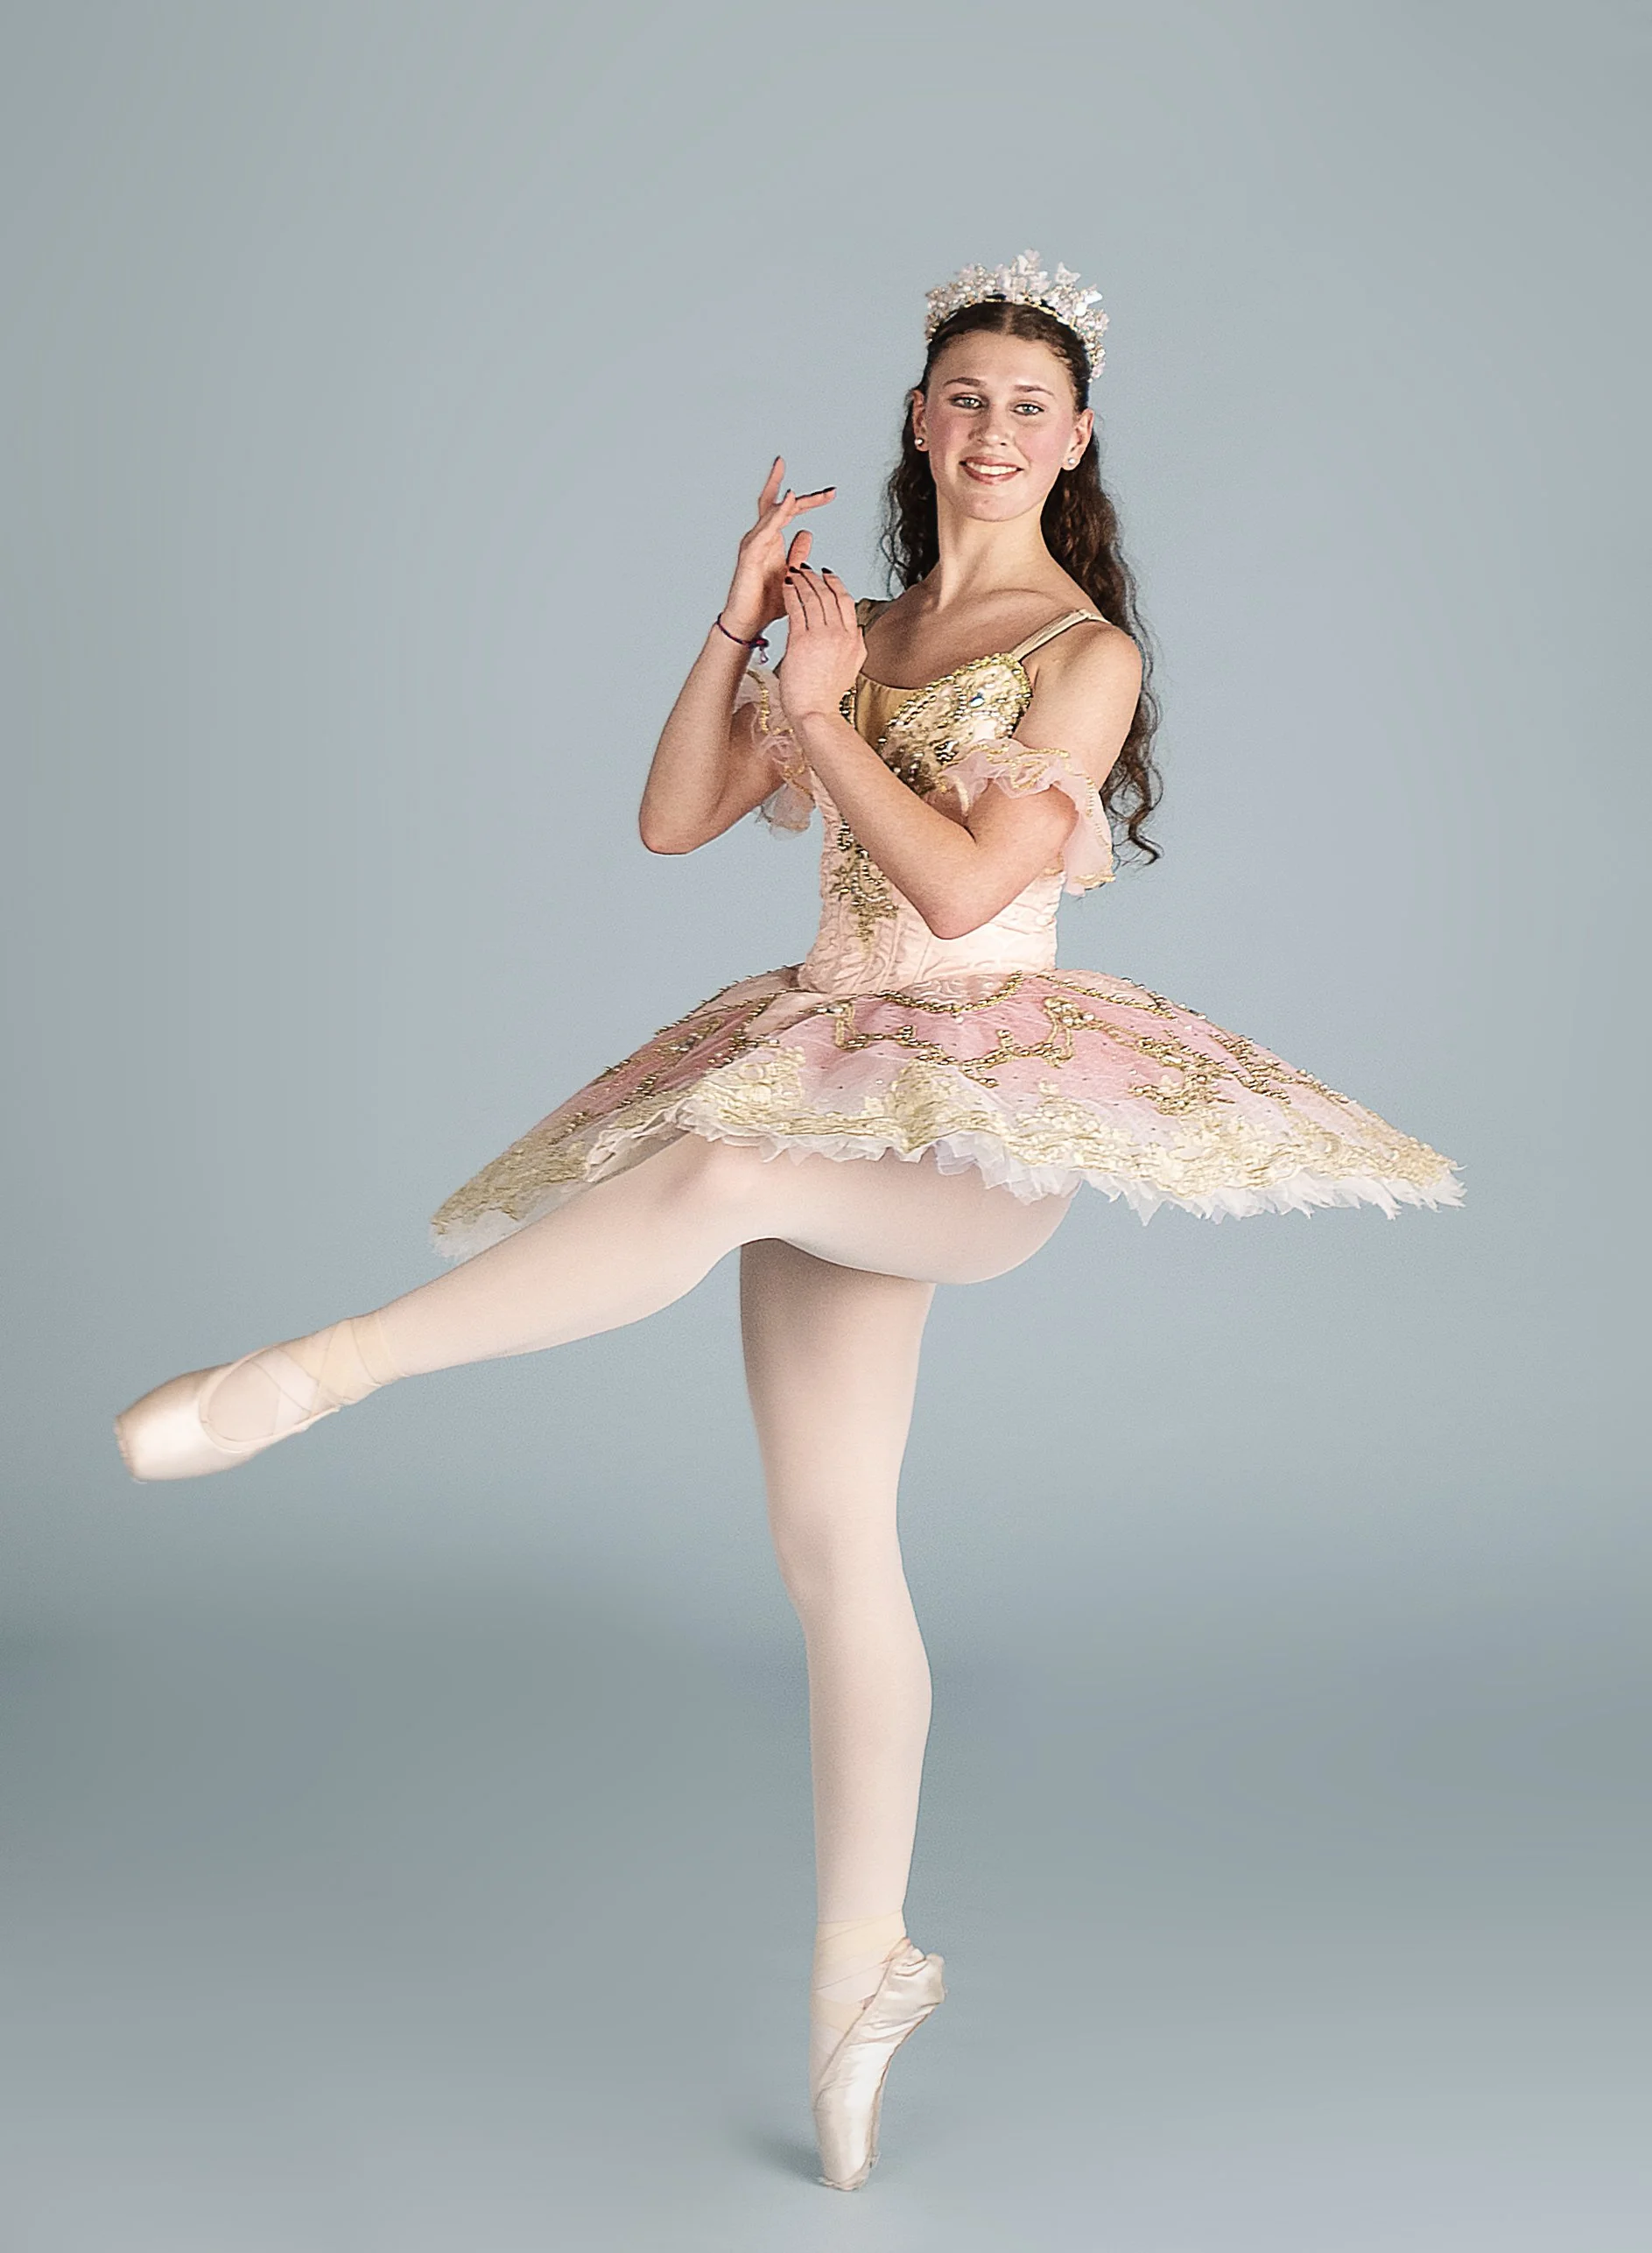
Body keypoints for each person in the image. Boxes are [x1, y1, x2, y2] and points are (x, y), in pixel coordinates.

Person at [114, 252, 1463, 2192]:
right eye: (960, 397)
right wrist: (741, 625)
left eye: (1026, 404)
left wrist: (828, 722)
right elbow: (675, 819)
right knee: (829, 1545)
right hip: (828, 1066)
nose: (989, 429)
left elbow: (960, 873)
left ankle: (306, 1376)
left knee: (725, 1170)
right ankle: (862, 1972)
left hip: (982, 1127)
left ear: (1074, 441)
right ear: (919, 422)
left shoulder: (1085, 650)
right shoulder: (868, 617)